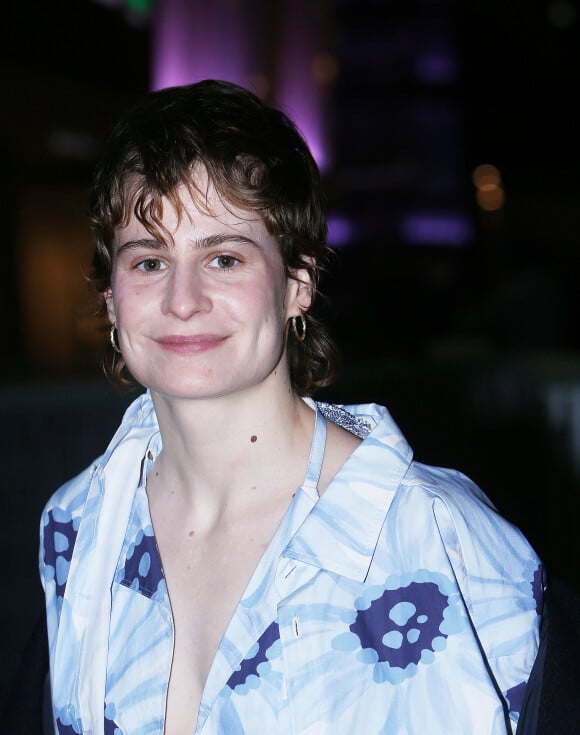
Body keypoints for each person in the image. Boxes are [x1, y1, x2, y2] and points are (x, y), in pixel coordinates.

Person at [39, 79, 543, 735]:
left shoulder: (439, 536)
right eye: (149, 261)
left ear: (298, 283)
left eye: (223, 257)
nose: (183, 299)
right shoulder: (75, 526)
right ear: (111, 298)